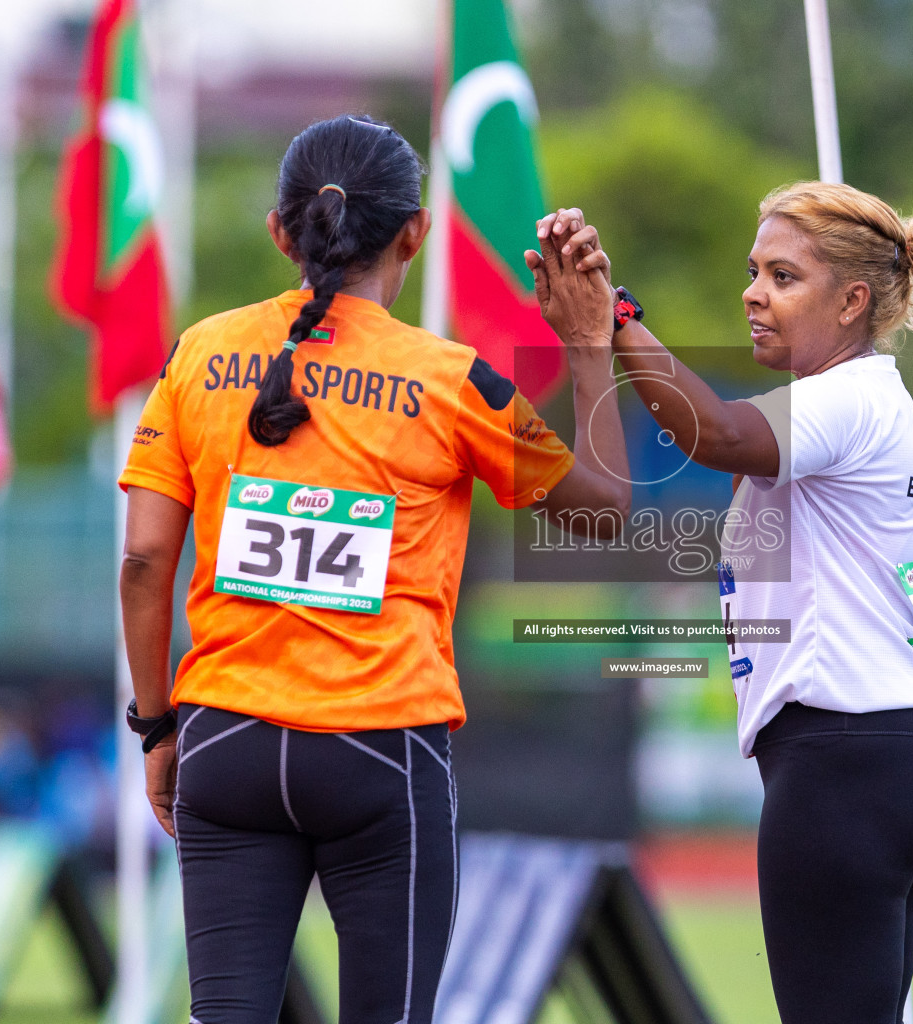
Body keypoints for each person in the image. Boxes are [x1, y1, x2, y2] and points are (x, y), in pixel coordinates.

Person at [117, 114, 628, 1024]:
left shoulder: (196, 353)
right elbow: (604, 512)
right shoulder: (452, 380)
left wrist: (157, 727)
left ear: (281, 231)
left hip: (225, 744)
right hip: (378, 752)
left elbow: (146, 558)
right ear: (415, 233)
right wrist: (587, 346)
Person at [537, 182, 913, 1024]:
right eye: (754, 271)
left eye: (783, 276)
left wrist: (620, 317)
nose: (753, 292)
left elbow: (716, 434)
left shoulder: (851, 397)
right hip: (907, 752)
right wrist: (592, 342)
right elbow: (626, 497)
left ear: (853, 302)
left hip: (850, 760)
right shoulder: (845, 408)